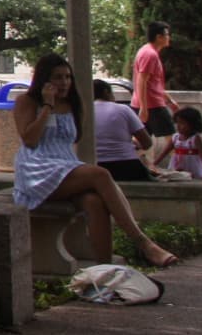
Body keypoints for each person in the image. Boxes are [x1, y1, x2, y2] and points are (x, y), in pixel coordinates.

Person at [13, 53, 178, 267]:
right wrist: (47, 106)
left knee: (94, 202)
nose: (64, 82)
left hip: (65, 165)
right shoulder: (26, 101)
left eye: (67, 77)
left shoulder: (73, 104)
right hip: (36, 169)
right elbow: (30, 140)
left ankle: (105, 269)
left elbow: (73, 139)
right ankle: (143, 243)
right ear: (44, 79)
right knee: (100, 173)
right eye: (57, 77)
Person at [131, 21, 179, 166]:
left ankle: (138, 165)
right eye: (167, 35)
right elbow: (142, 80)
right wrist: (144, 108)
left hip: (149, 103)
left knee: (140, 141)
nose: (169, 37)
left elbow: (153, 83)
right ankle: (180, 166)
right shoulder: (150, 54)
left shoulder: (148, 52)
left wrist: (169, 100)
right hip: (152, 105)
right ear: (159, 37)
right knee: (172, 140)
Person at [91, 79, 155, 181]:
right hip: (126, 165)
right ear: (106, 92)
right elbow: (147, 143)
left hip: (93, 166)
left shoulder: (82, 112)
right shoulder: (123, 109)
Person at [166, 106, 202, 179]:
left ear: (193, 124)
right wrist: (153, 165)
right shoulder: (175, 138)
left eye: (182, 123)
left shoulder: (195, 138)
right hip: (177, 167)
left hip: (194, 168)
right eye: (177, 123)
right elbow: (164, 152)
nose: (178, 126)